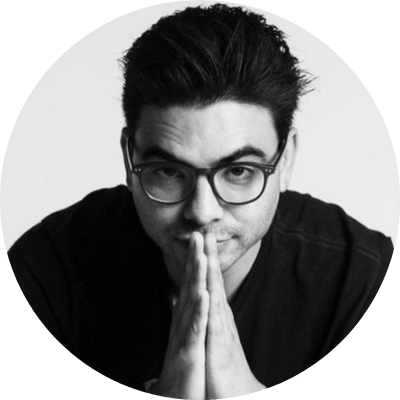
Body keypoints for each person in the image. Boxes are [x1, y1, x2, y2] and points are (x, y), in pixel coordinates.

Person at [7, 4, 393, 399]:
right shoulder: (45, 270)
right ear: (129, 158)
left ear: (286, 159)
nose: (203, 211)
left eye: (239, 171)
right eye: (169, 172)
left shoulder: (365, 281)